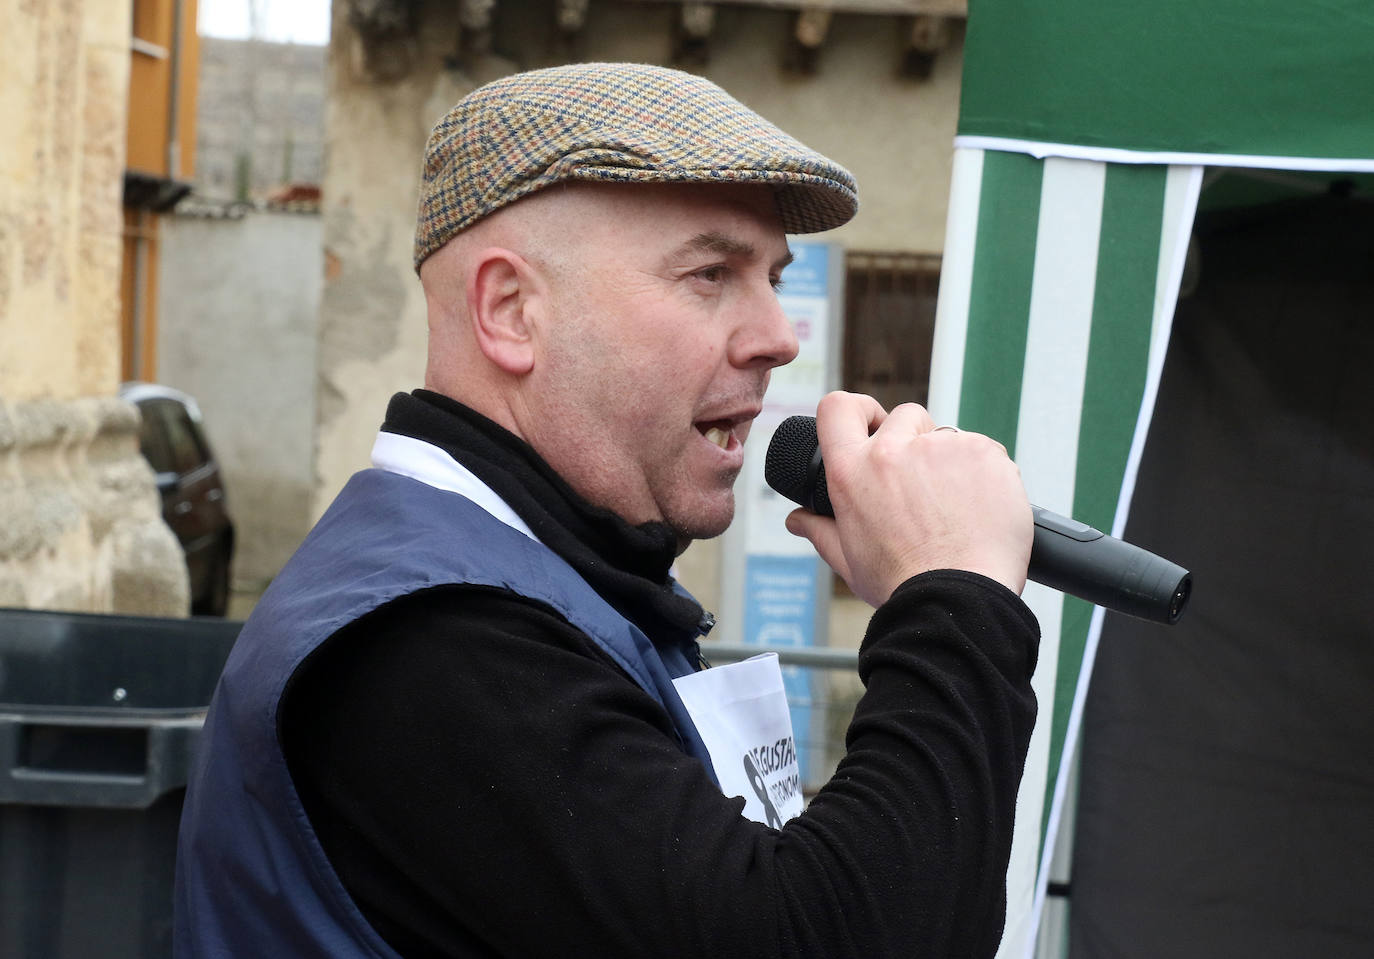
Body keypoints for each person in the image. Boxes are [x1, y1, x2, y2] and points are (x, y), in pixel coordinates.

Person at [173, 62, 1039, 959]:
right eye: (710, 274)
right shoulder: (434, 642)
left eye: (774, 279)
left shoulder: (550, 580)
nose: (780, 337)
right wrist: (950, 598)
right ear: (510, 311)